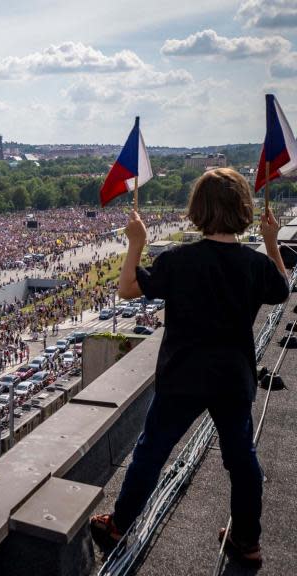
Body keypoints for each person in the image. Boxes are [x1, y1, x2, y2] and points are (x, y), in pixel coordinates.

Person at [90, 168, 289, 570]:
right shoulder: (252, 265)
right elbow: (283, 289)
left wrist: (136, 244)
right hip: (233, 376)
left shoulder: (178, 261)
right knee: (241, 459)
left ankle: (118, 525)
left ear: (197, 210)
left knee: (153, 451)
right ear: (243, 210)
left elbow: (127, 289)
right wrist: (271, 243)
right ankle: (248, 541)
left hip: (182, 375)